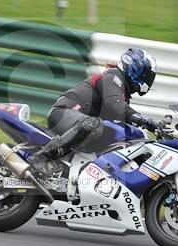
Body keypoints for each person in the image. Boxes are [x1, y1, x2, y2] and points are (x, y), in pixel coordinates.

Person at [29, 48, 160, 176]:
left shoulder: (123, 94)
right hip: (63, 112)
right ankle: (43, 157)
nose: (146, 79)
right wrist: (142, 119)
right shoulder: (113, 76)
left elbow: (122, 118)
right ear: (135, 70)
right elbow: (113, 104)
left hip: (80, 125)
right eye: (145, 75)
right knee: (93, 124)